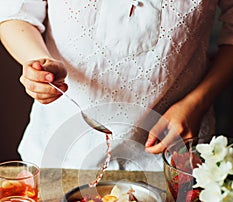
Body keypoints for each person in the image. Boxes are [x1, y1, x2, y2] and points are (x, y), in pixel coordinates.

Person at [0, 1, 233, 171]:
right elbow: (15, 13)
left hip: (173, 158)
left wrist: (197, 103)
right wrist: (38, 62)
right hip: (59, 157)